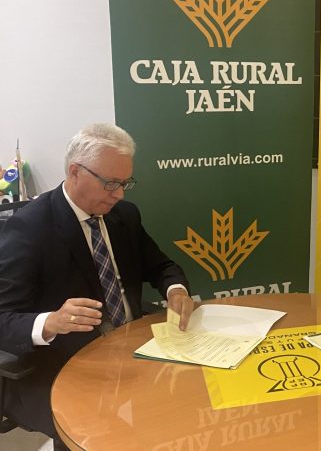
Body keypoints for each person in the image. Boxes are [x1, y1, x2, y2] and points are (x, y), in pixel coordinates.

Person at [0, 123, 194, 444]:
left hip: (133, 350)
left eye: (125, 183)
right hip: (63, 365)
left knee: (184, 409)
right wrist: (52, 322)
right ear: (75, 172)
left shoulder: (124, 215)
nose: (119, 194)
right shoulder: (29, 228)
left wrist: (176, 291)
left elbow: (162, 266)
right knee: (103, 436)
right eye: (110, 183)